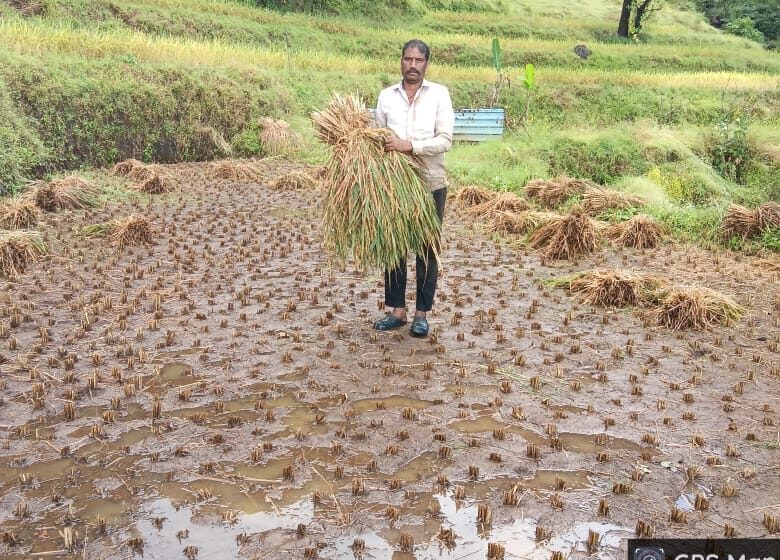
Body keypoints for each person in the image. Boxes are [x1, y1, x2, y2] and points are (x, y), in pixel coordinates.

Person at [372, 39, 454, 338]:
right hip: (394, 185)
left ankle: (421, 313)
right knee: (393, 246)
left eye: (419, 61)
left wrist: (410, 147)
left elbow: (445, 140)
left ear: (426, 64)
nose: (413, 66)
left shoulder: (439, 95)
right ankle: (397, 311)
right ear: (401, 61)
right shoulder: (386, 97)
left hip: (430, 183)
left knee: (426, 249)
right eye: (408, 59)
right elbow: (378, 137)